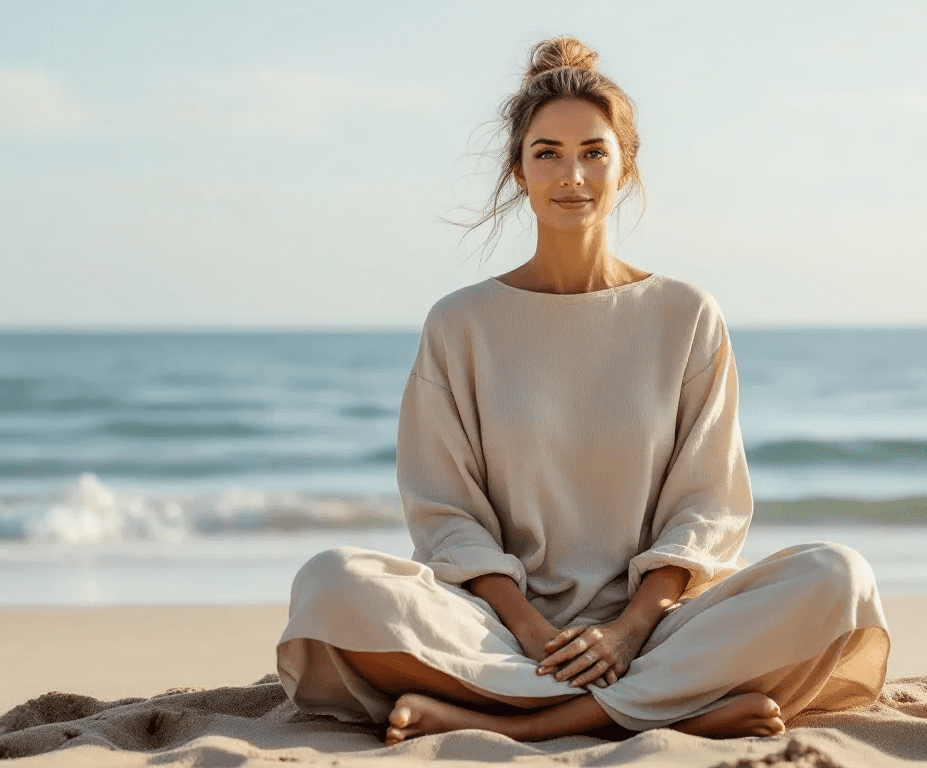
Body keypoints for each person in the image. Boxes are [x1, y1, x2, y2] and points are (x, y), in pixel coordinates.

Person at [276, 36, 890, 746]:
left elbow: (707, 506)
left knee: (839, 578)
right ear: (519, 171)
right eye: (548, 153)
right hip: (499, 633)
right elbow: (445, 515)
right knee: (330, 583)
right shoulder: (460, 323)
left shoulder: (686, 315)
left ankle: (522, 718)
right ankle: (680, 710)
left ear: (625, 166)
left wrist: (628, 632)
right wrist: (534, 631)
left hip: (658, 630)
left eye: (594, 152)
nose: (573, 175)